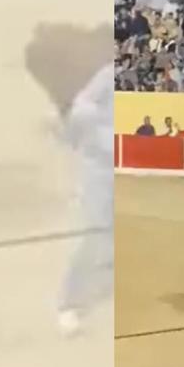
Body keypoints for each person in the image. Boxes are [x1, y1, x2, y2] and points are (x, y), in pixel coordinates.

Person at [56, 63, 115, 335]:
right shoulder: (108, 75)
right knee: (95, 237)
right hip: (99, 169)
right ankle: (70, 304)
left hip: (114, 169)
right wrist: (97, 133)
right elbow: (81, 106)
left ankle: (105, 280)